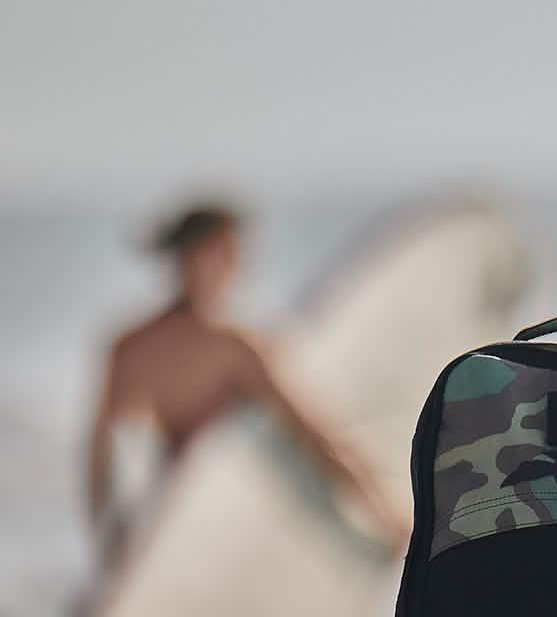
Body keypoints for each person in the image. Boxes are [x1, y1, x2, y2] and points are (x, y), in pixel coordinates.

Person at [87, 203, 409, 560]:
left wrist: (110, 542)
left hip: (163, 518)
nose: (237, 266)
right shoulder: (236, 348)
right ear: (197, 256)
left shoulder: (130, 346)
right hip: (231, 520)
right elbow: (315, 437)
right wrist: (382, 511)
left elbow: (103, 462)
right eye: (229, 253)